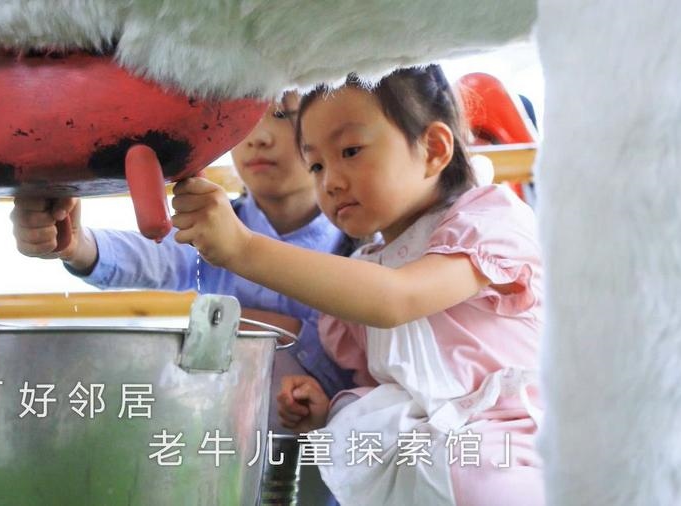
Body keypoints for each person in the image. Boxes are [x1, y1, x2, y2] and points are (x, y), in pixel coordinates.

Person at [169, 65, 545, 506]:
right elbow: (388, 382)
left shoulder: (486, 223)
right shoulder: (365, 267)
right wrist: (325, 406)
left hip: (510, 447)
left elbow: (398, 298)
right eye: (316, 164)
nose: (330, 181)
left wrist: (244, 249)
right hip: (426, 463)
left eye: (350, 151)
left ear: (433, 148)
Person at [9, 92, 355, 432]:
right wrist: (77, 244)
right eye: (243, 116)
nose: (257, 138)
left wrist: (275, 329)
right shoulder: (211, 226)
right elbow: (154, 254)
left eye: (281, 115)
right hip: (220, 435)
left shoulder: (359, 243)